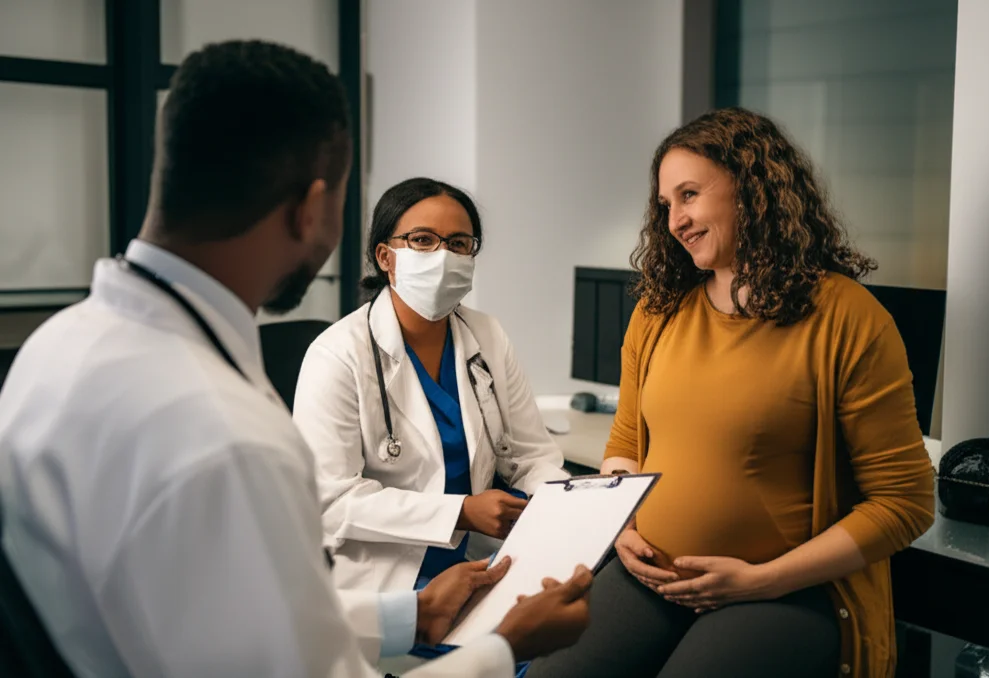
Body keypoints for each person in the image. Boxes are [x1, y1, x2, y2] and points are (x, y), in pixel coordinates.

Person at [0, 40, 590, 678]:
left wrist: (408, 615)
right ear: (314, 209)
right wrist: (507, 650)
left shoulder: (57, 346)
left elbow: (226, 623)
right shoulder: (227, 438)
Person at [526, 107, 935, 678]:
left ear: (753, 187)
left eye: (689, 195)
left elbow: (904, 502)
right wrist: (621, 528)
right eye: (666, 205)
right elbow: (625, 443)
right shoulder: (658, 310)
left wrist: (762, 579)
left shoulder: (847, 318)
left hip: (783, 589)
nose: (675, 220)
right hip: (651, 575)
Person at [292, 177, 569, 601]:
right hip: (388, 572)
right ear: (386, 257)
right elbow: (330, 501)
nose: (443, 255)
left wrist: (572, 508)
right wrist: (460, 512)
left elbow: (531, 456)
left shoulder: (487, 336)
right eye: (423, 240)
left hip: (483, 555)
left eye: (459, 244)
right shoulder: (337, 354)